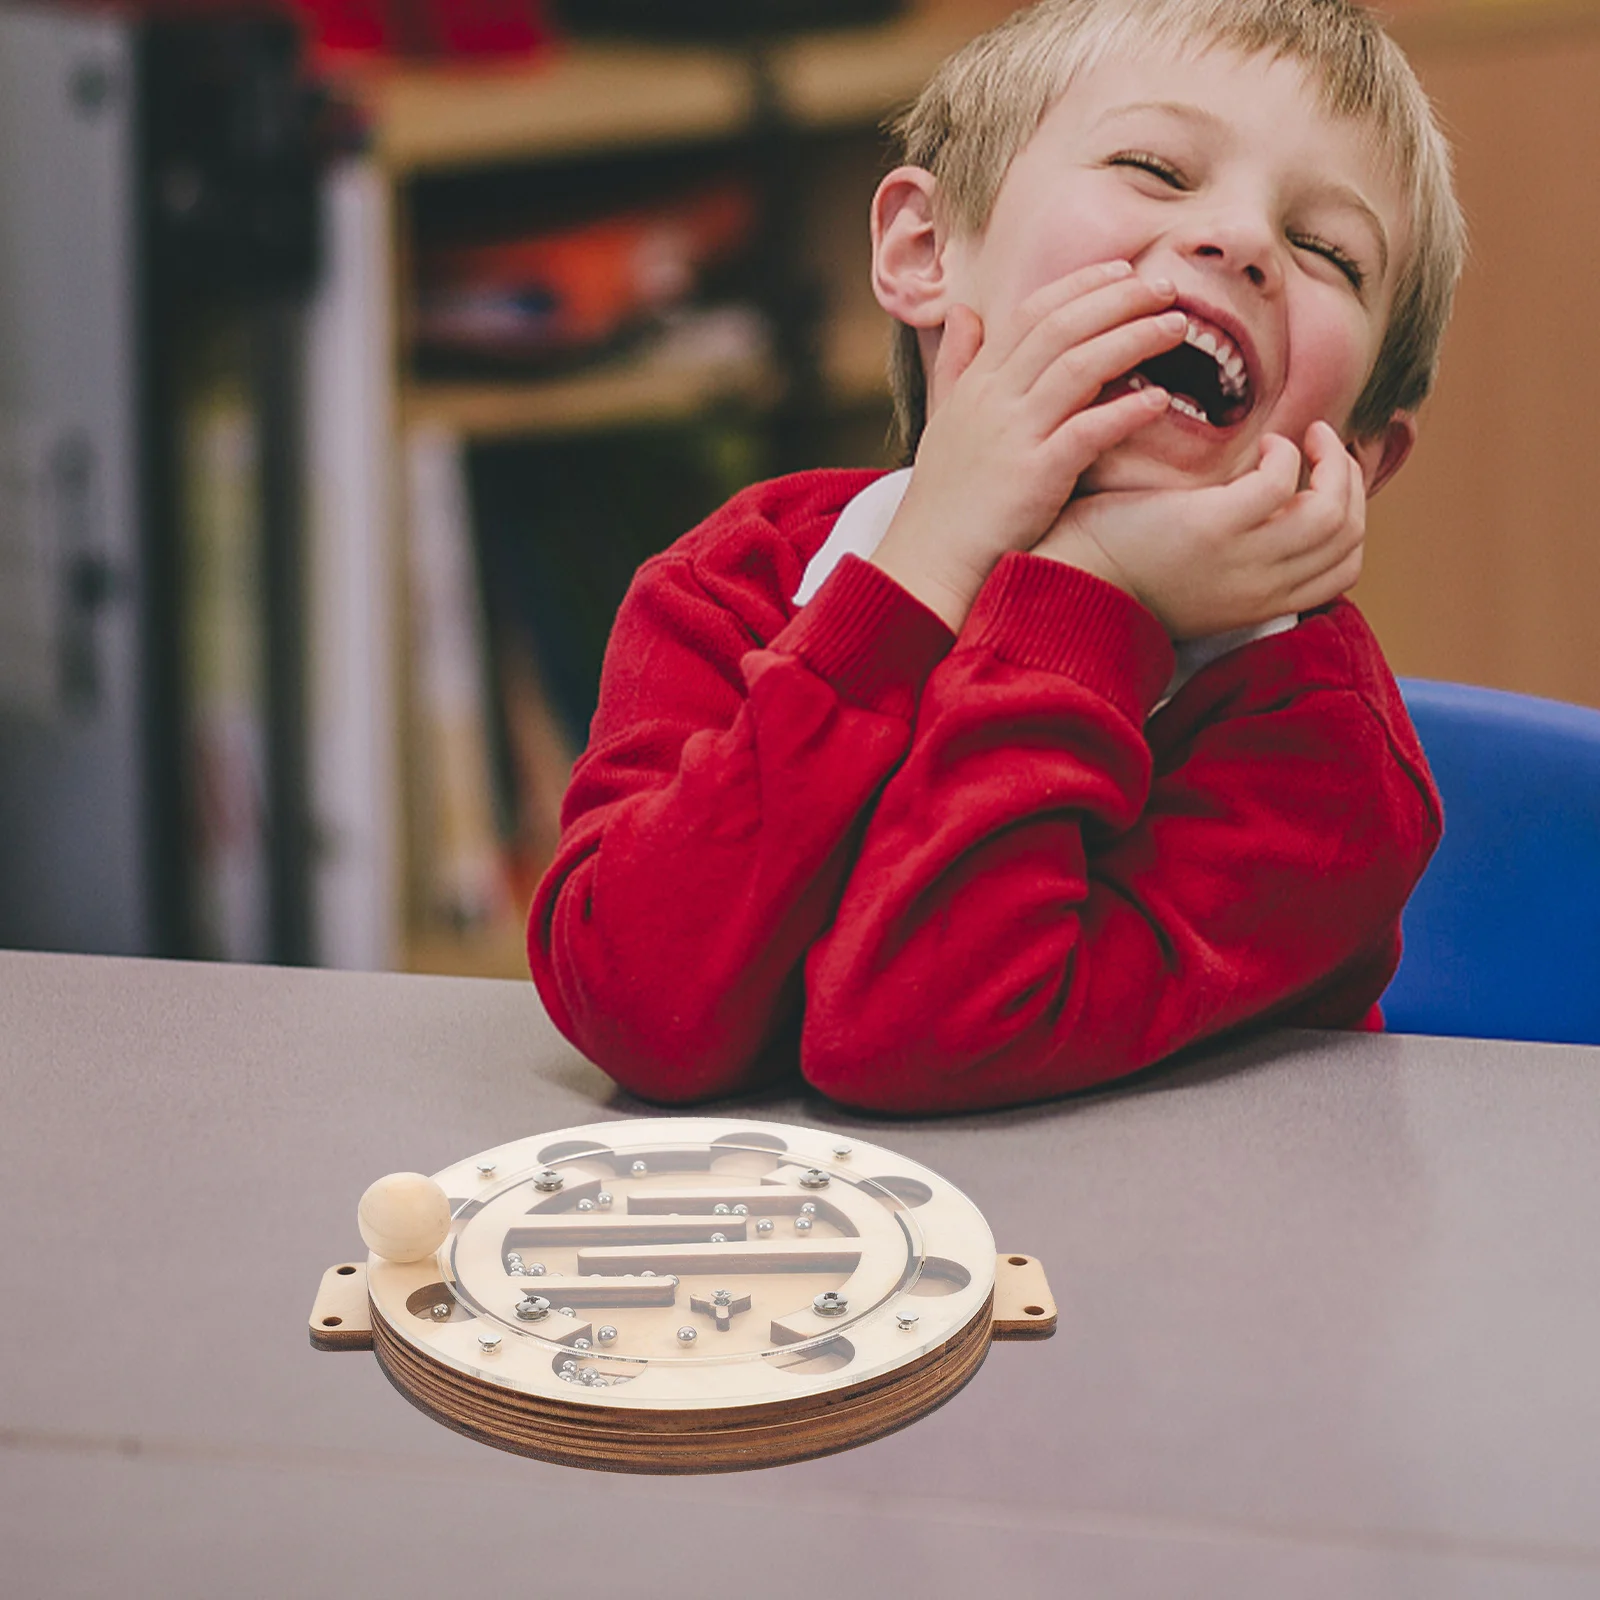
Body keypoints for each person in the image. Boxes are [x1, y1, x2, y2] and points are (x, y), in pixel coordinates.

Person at [527, 0, 1465, 1114]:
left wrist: (1088, 595)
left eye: (1324, 251)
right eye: (1156, 168)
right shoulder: (737, 581)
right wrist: (919, 570)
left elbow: (921, 1034)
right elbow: (641, 1006)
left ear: (1358, 449)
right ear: (925, 253)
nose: (1245, 242)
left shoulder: (1327, 766)